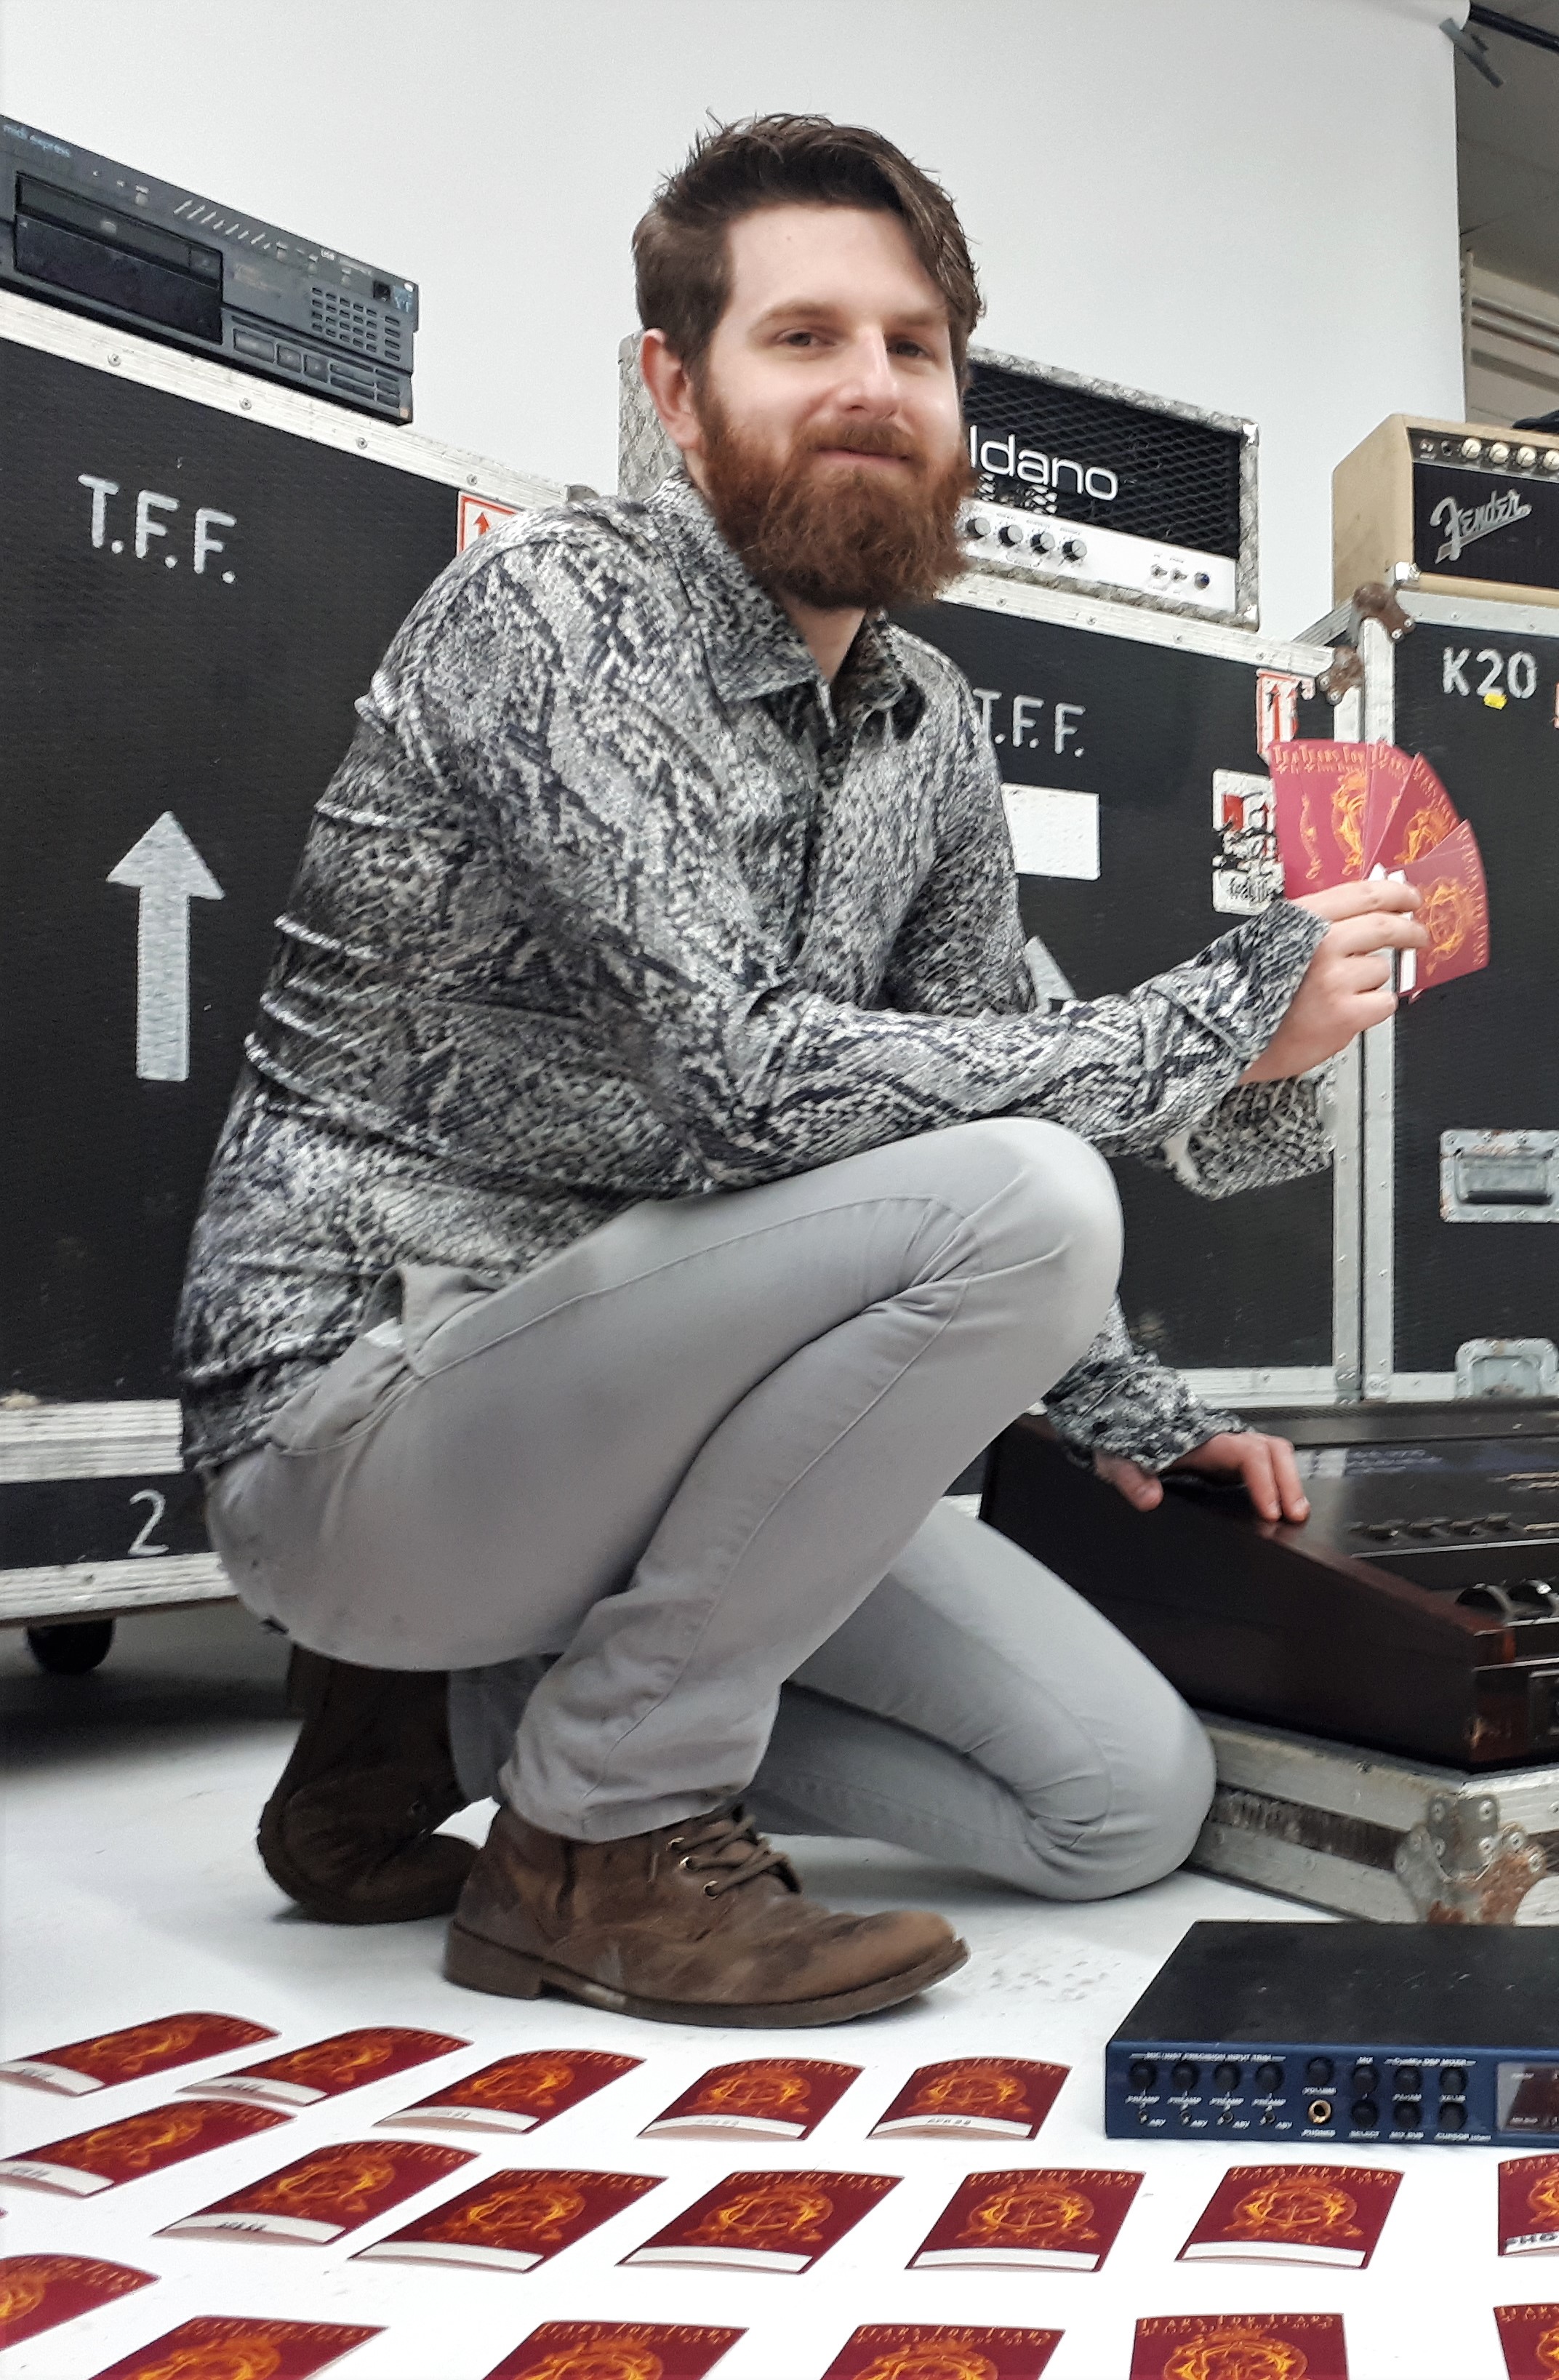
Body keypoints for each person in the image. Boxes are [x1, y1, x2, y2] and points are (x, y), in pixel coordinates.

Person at [171, 113, 1423, 2029]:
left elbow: (997, 1083)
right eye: (802, 337)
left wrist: (1140, 1403)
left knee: (1119, 1798)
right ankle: (593, 1833)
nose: (869, 386)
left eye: (912, 347)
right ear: (675, 387)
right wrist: (1215, 1008)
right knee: (1032, 1195)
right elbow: (747, 1089)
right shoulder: (557, 617)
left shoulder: (924, 726)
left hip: (625, 1446)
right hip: (366, 1432)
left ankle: (465, 1717)